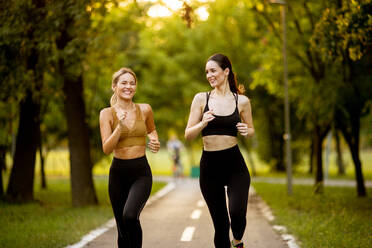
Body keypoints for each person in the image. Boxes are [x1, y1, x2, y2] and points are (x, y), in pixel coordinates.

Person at [185, 54, 254, 248]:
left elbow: (251, 129)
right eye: (207, 72)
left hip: (234, 165)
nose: (209, 75)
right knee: (221, 225)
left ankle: (238, 240)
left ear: (226, 71)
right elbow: (188, 135)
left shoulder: (242, 101)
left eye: (213, 70)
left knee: (238, 213)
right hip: (210, 167)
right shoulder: (201, 99)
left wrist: (246, 131)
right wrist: (202, 123)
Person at [99, 67, 160, 248]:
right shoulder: (107, 114)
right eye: (124, 83)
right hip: (118, 174)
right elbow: (106, 148)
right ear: (114, 87)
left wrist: (154, 140)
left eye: (132, 83)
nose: (128, 87)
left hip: (141, 172)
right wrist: (120, 126)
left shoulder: (145, 109)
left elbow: (152, 130)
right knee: (122, 228)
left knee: (130, 216)